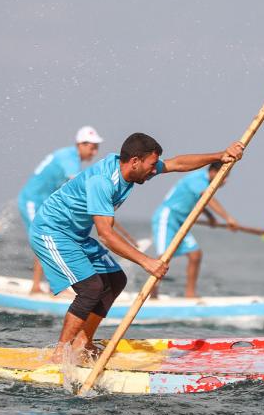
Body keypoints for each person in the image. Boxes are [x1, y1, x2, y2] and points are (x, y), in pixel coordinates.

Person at [29, 133, 243, 360]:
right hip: (51, 232)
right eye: (151, 166)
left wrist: (221, 155)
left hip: (77, 234)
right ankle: (60, 353)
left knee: (115, 280)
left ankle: (83, 343)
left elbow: (177, 163)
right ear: (134, 162)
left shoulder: (133, 167)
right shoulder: (102, 182)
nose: (154, 171)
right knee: (91, 288)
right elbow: (106, 236)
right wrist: (146, 261)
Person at [17, 127, 104, 293]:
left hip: (44, 204)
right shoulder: (69, 158)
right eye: (92, 147)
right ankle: (36, 287)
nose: (94, 152)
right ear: (81, 144)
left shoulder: (70, 156)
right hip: (32, 201)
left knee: (56, 238)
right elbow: (79, 184)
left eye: (96, 147)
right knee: (43, 239)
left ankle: (52, 285)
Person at [151, 161, 239, 298]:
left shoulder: (204, 184)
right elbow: (207, 198)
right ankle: (152, 295)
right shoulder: (197, 179)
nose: (226, 180)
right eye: (224, 176)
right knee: (163, 258)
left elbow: (200, 201)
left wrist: (210, 217)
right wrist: (228, 218)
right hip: (167, 217)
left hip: (182, 221)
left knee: (195, 255)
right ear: (213, 172)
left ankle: (190, 293)